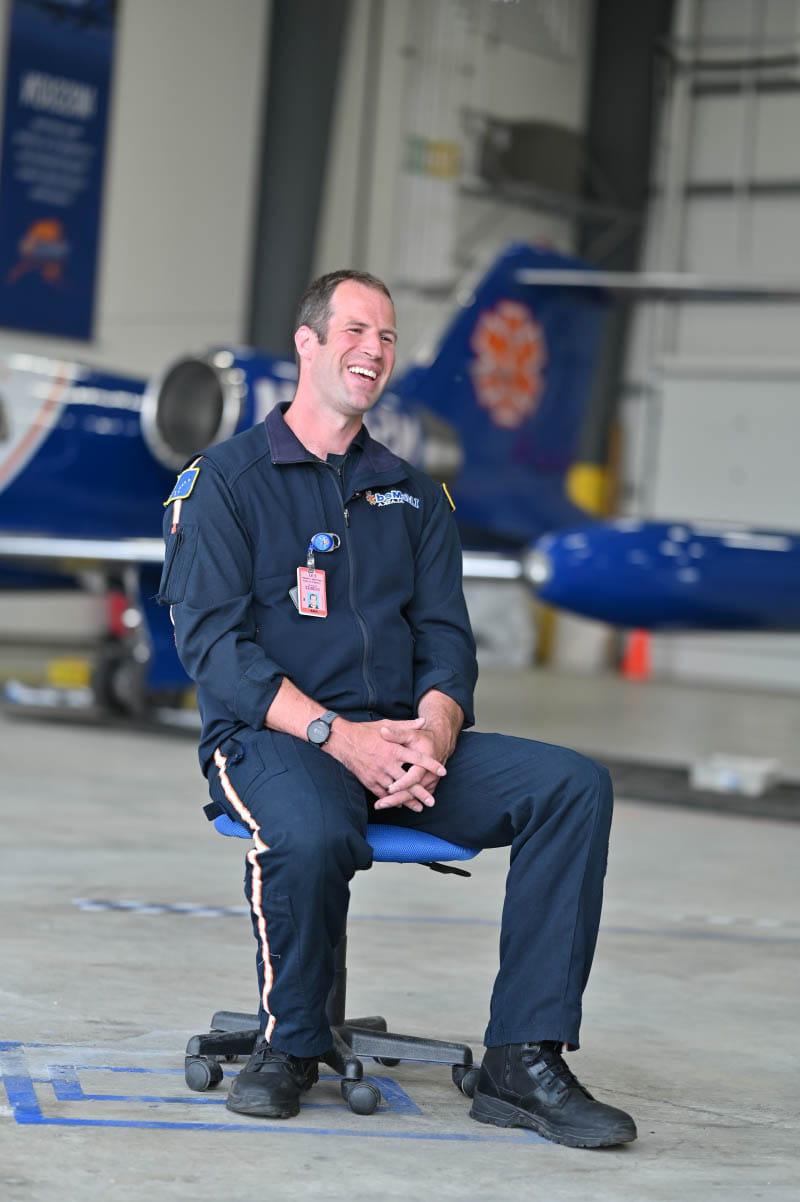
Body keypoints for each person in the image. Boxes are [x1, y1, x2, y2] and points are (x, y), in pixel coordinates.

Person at [158, 269, 636, 1149]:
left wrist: (436, 728)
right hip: (278, 738)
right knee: (308, 831)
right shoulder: (223, 483)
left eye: (385, 336)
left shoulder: (413, 494)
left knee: (572, 787)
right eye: (353, 331)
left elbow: (447, 639)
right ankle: (289, 1046)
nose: (372, 350)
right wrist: (341, 738)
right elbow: (217, 653)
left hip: (404, 742)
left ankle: (523, 1060)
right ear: (306, 344)